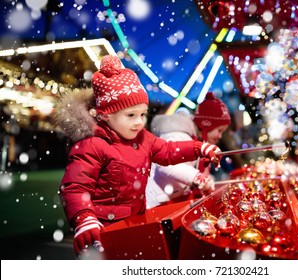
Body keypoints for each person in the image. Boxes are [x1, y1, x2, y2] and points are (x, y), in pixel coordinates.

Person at [55, 55, 221, 257]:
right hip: (105, 228)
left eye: (142, 114)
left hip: (136, 220)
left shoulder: (143, 138)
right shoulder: (92, 146)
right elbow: (75, 188)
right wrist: (84, 218)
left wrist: (198, 148)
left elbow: (168, 151)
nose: (139, 122)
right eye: (131, 115)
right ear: (105, 115)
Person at [146, 91, 231, 208]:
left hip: (169, 200)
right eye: (219, 130)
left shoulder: (196, 140)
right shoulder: (178, 135)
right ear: (206, 125)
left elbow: (189, 168)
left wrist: (208, 180)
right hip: (156, 203)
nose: (220, 136)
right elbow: (166, 164)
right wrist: (197, 177)